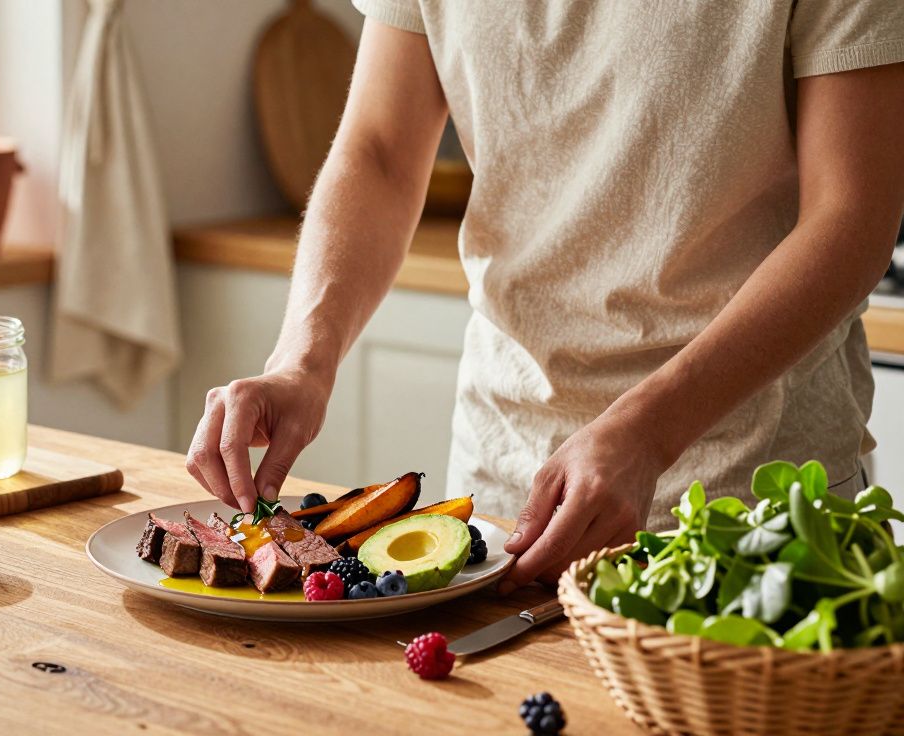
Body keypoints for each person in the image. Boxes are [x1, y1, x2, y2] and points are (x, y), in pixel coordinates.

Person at [185, 2, 904, 594]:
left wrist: (650, 430)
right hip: (505, 497)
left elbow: (854, 215)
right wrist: (302, 359)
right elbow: (378, 149)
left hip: (747, 502)